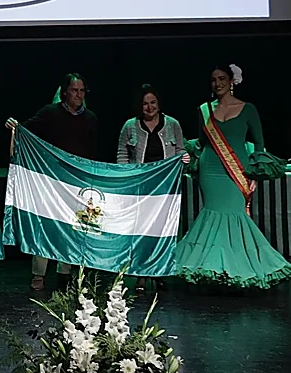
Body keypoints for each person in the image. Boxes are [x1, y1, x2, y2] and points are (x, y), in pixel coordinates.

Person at [174, 65, 291, 288]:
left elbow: (259, 144)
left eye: (222, 79)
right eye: (213, 80)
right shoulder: (204, 110)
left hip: (238, 172)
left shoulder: (248, 109)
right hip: (210, 169)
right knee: (212, 216)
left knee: (235, 217)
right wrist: (188, 156)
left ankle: (238, 270)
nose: (217, 83)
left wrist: (256, 172)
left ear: (232, 81)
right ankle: (212, 270)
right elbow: (202, 142)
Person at [6, 73, 98, 291]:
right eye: (74, 90)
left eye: (82, 91)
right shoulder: (50, 113)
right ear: (64, 92)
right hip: (50, 182)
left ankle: (65, 272)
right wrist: (13, 126)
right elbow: (24, 131)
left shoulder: (91, 118)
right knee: (45, 226)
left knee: (72, 226)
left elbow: (94, 153)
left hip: (76, 184)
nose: (78, 95)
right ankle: (39, 273)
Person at [116, 84, 190, 292]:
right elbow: (122, 155)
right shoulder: (130, 126)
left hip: (165, 188)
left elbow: (181, 152)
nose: (149, 107)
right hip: (140, 188)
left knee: (162, 231)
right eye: (145, 104)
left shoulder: (172, 124)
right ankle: (140, 275)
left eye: (153, 103)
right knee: (140, 231)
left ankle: (159, 273)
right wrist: (127, 180)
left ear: (159, 104)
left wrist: (184, 160)